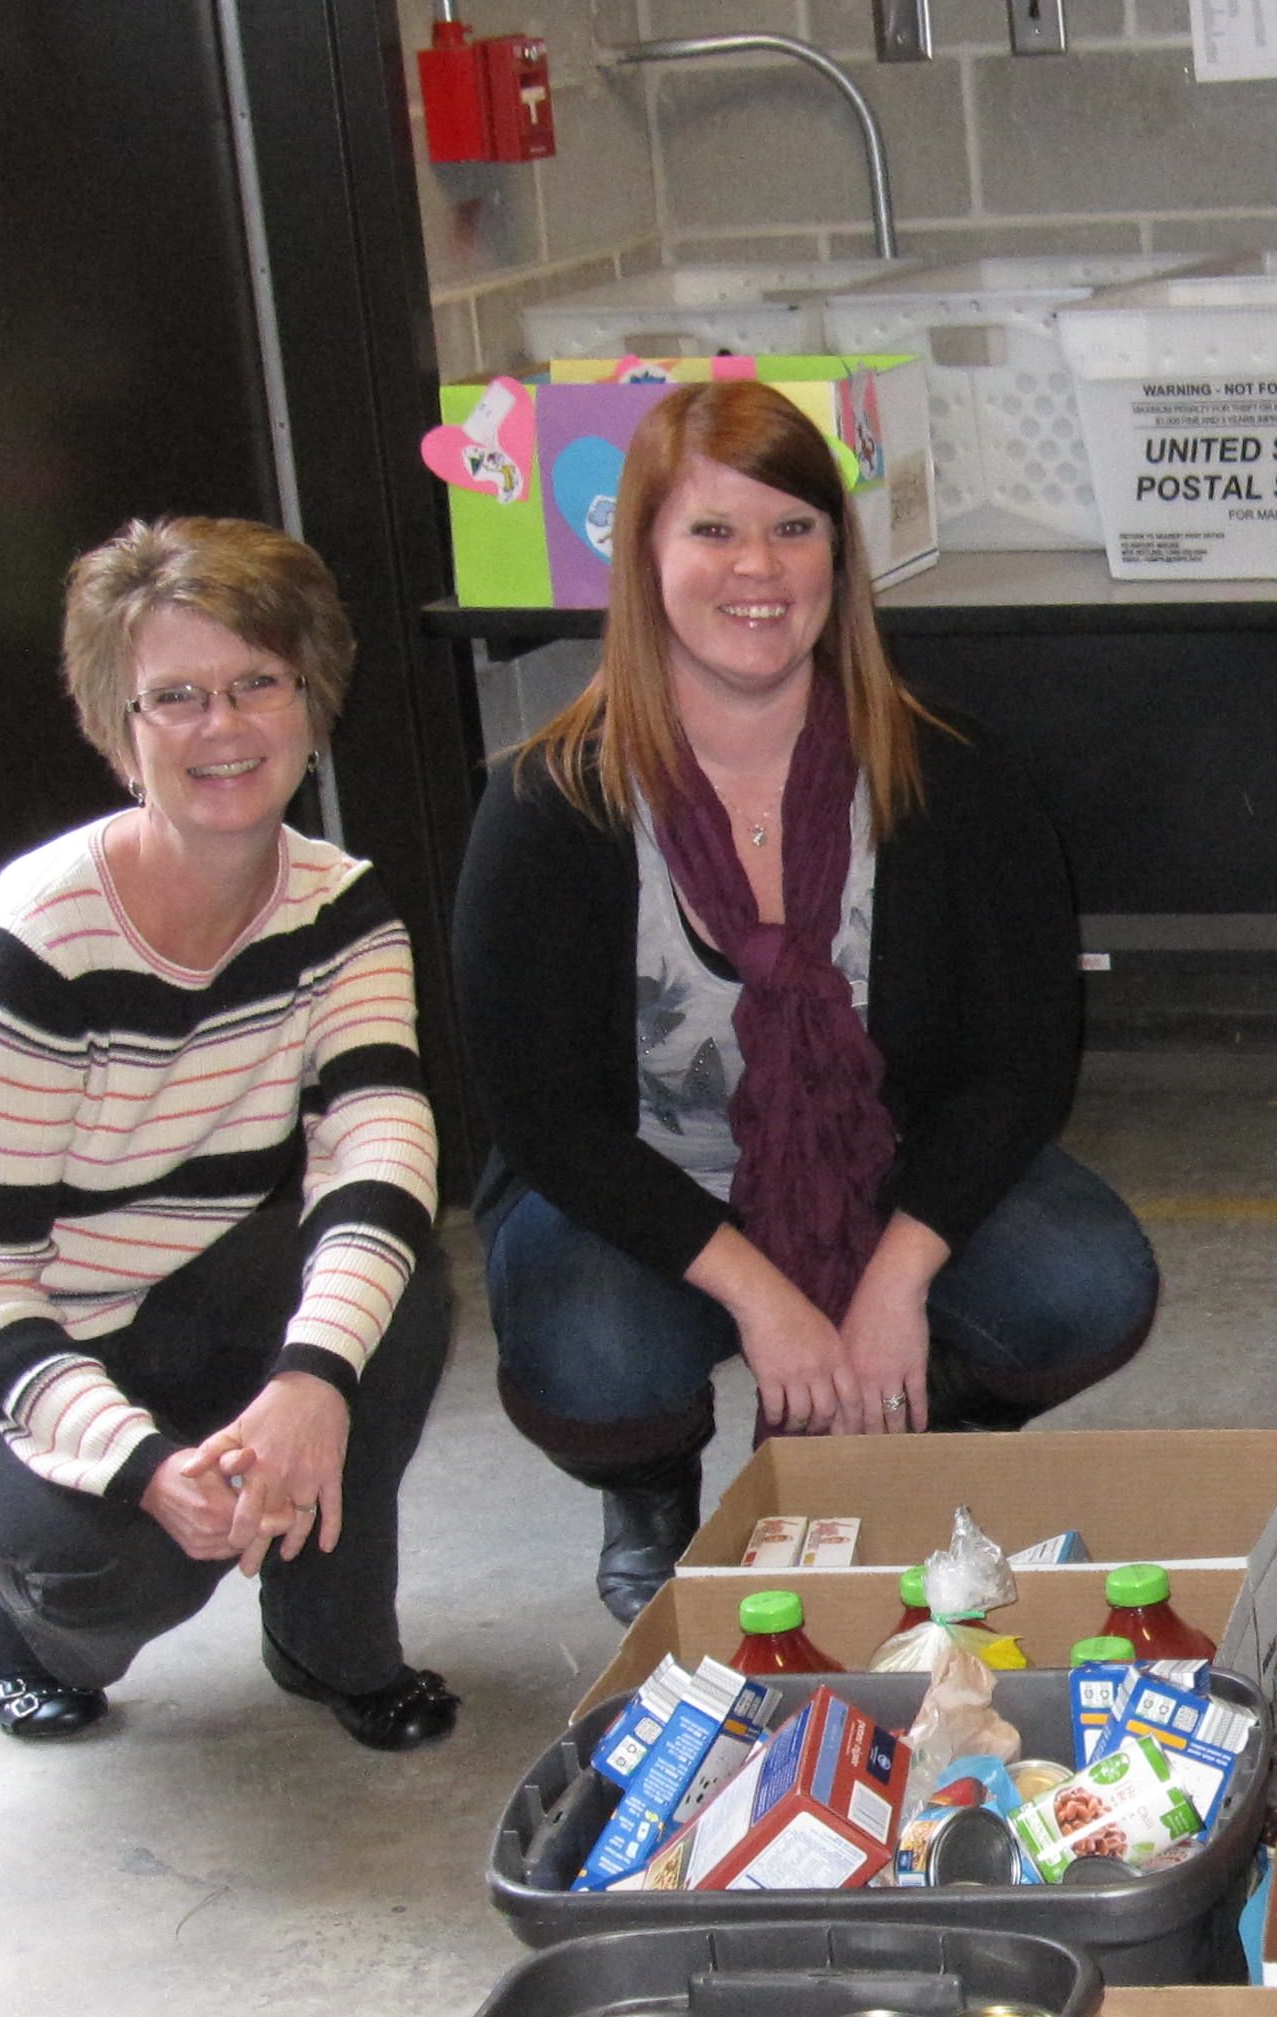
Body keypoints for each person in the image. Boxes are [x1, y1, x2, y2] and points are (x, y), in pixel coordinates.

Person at [455, 379, 1159, 1621]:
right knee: (596, 1349)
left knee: (1086, 1283)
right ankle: (657, 1490)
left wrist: (893, 1286)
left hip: (883, 1168)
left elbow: (1022, 1064)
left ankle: (908, 1410)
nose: (758, 570)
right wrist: (766, 1299)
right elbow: (545, 1118)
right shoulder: (548, 804)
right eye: (712, 532)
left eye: (794, 528)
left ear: (841, 551)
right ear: (645, 558)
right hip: (649, 1182)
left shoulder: (952, 772)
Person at [0, 519, 456, 1748]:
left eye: (258, 683)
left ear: (312, 701)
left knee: (396, 1290)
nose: (224, 727)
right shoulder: (37, 945)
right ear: (121, 734)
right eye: (175, 698)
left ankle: (330, 1642)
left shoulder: (340, 908)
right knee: (140, 1562)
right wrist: (145, 1469)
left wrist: (310, 1383)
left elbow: (379, 1155)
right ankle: (26, 1619)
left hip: (154, 1286)